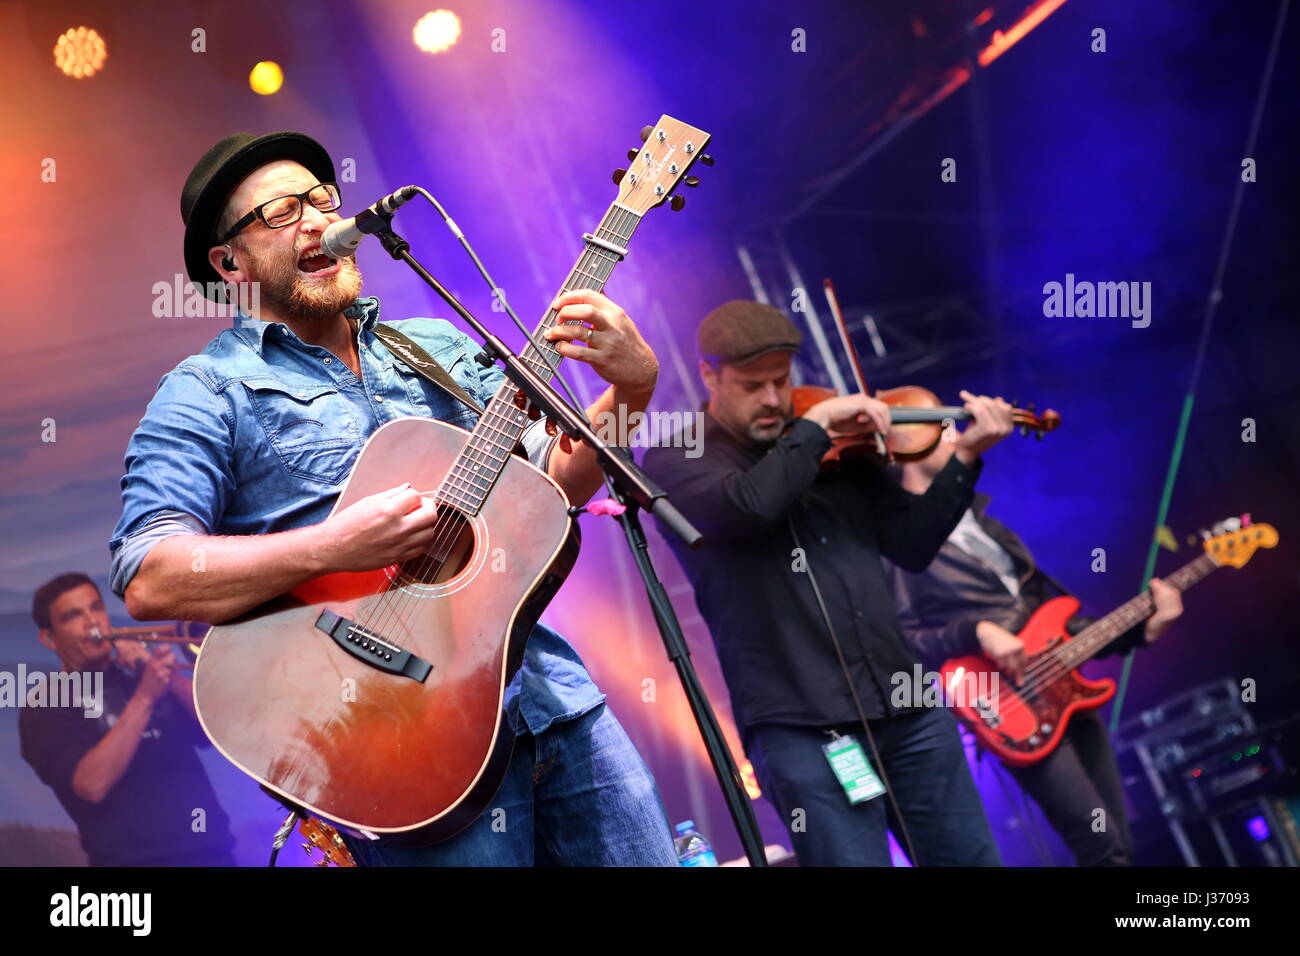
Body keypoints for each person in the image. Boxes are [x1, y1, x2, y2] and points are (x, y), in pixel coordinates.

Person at [108, 130, 676, 866]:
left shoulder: (436, 344)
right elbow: (149, 573)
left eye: (322, 199)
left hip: (551, 698)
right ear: (230, 263)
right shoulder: (206, 390)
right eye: (282, 212)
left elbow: (549, 491)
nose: (317, 220)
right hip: (394, 740)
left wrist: (632, 389)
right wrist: (335, 546)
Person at [642, 299, 1017, 866]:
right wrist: (814, 428)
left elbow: (911, 546)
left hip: (906, 705)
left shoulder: (836, 446)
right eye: (752, 385)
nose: (774, 399)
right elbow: (751, 506)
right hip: (799, 730)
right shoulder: (677, 455)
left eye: (781, 381)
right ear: (709, 375)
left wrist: (963, 456)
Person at [887, 438, 1183, 865]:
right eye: (940, 423)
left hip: (1065, 690)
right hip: (1009, 704)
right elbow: (902, 640)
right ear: (903, 444)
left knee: (1119, 843)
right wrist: (978, 630)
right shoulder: (902, 543)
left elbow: (1054, 624)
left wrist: (1141, 630)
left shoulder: (986, 526)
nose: (955, 433)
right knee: (1101, 845)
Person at [19, 572, 236, 866]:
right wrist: (145, 696)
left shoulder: (144, 674)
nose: (92, 622)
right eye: (73, 615)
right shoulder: (45, 707)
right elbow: (92, 784)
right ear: (48, 638)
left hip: (211, 851)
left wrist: (161, 673)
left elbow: (218, 731)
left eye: (96, 607)